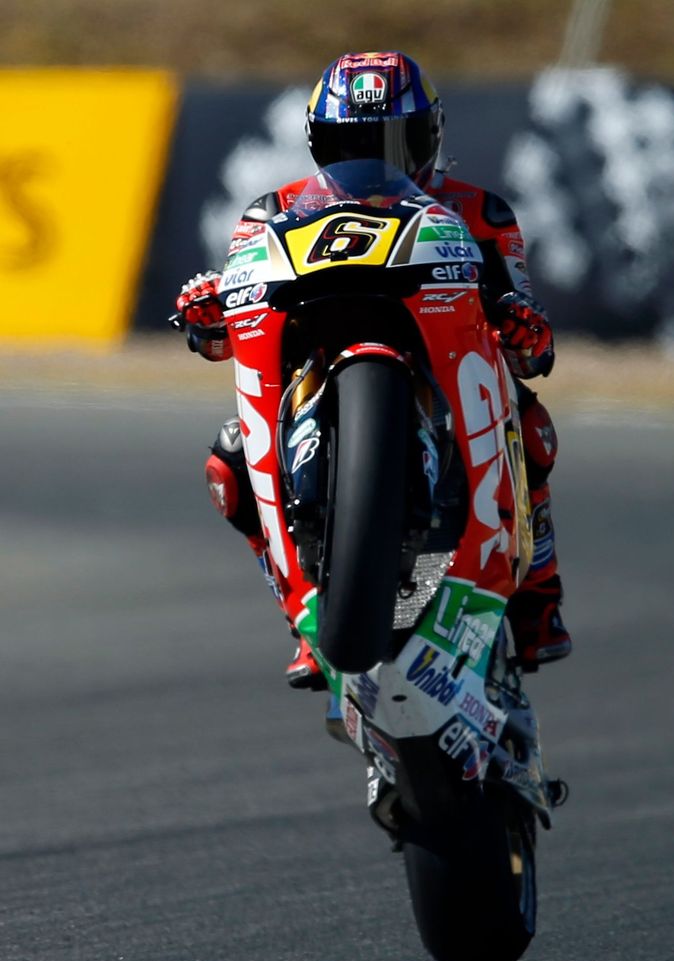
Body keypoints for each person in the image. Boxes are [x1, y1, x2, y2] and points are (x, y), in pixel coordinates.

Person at [173, 51, 572, 689]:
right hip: (319, 365)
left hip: (440, 367)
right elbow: (232, 337)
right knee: (229, 460)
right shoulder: (269, 211)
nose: (376, 160)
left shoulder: (482, 213)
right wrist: (206, 317)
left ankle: (538, 598)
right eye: (353, 143)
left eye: (394, 141)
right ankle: (304, 613)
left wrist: (527, 328)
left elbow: (527, 342)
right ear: (318, 144)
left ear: (430, 137)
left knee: (529, 419)